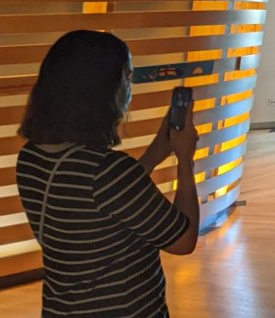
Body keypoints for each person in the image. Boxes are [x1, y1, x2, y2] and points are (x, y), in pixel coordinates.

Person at [16, 30, 199, 317]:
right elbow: (183, 240)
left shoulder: (31, 157)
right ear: (103, 89)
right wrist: (186, 161)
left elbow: (97, 204)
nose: (129, 87)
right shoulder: (109, 171)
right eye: (127, 77)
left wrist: (157, 152)